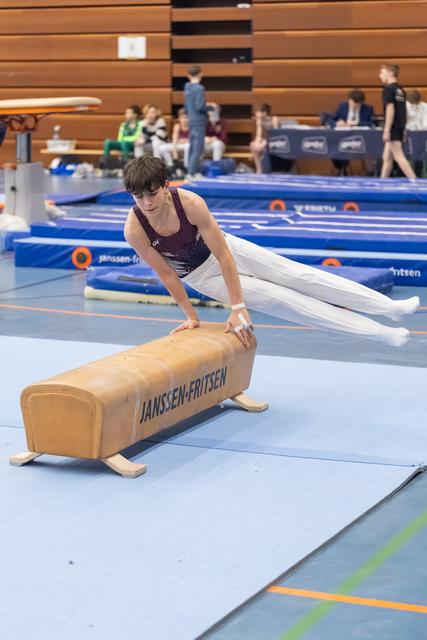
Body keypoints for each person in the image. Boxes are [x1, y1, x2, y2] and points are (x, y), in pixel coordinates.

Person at [123, 156, 419, 349]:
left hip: (228, 250)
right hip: (200, 277)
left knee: (300, 276)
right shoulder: (135, 229)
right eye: (139, 196)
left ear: (166, 186)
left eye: (152, 193)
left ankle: (389, 308)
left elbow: (224, 255)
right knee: (286, 301)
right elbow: (166, 273)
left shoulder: (190, 203)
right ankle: (380, 333)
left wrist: (237, 307)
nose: (147, 202)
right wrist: (191, 316)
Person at [379, 64, 416, 180]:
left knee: (399, 156)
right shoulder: (400, 90)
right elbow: (403, 111)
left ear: (390, 73)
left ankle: (415, 181)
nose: (379, 76)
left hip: (393, 127)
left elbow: (391, 109)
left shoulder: (388, 89)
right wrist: (403, 128)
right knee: (387, 157)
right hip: (399, 126)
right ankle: (382, 182)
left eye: (382, 73)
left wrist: (387, 130)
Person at [332, 89, 375, 176]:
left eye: (356, 104)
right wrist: (337, 123)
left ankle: (370, 171)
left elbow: (372, 123)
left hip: (361, 139)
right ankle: (341, 168)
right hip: (342, 137)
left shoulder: (368, 109)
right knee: (332, 146)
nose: (353, 105)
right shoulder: (342, 106)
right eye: (351, 103)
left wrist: (357, 123)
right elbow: (332, 119)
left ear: (361, 103)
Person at [184, 65, 210, 177]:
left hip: (191, 119)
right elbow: (200, 106)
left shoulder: (187, 87)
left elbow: (187, 106)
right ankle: (192, 172)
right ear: (201, 74)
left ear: (188, 75)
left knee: (192, 146)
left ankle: (190, 170)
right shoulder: (199, 88)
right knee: (198, 147)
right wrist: (210, 108)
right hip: (198, 120)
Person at [250, 104, 279, 174]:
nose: (257, 113)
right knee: (252, 145)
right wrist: (257, 143)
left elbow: (276, 134)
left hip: (276, 139)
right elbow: (259, 133)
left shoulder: (274, 119)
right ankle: (259, 169)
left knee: (261, 145)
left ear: (265, 112)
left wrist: (263, 143)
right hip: (267, 139)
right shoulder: (260, 120)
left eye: (259, 112)